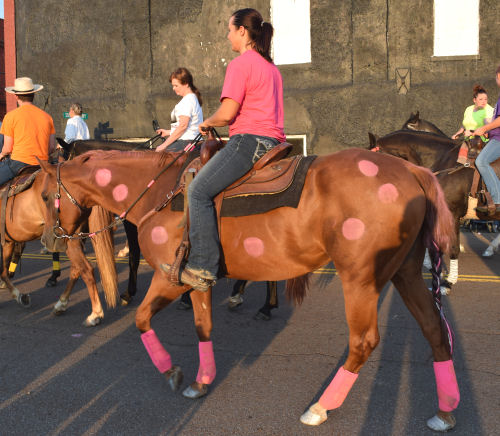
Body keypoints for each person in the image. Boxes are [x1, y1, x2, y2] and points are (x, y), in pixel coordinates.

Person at [161, 8, 286, 291]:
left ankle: (203, 266)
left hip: (250, 141)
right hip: (276, 143)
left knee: (197, 191)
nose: (228, 36)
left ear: (242, 31)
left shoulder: (241, 64)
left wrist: (208, 122)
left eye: (230, 30)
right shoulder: (272, 68)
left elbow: (228, 114)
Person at [0, 77, 56, 185]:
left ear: (16, 96)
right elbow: (52, 147)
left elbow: (7, 148)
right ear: (33, 95)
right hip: (42, 165)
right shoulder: (47, 117)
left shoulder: (10, 116)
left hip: (18, 164)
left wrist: (1, 155)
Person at [155, 67, 203, 152]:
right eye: (173, 85)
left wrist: (164, 145)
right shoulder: (190, 99)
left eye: (176, 85)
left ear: (186, 84)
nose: (173, 88)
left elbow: (183, 127)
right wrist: (168, 132)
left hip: (187, 142)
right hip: (188, 140)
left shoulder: (188, 100)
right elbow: (186, 127)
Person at [474, 66, 500, 214]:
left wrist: (485, 128)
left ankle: (497, 200)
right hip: (494, 136)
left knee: (481, 161)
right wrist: (487, 128)